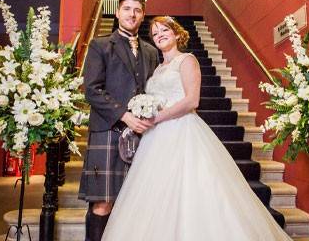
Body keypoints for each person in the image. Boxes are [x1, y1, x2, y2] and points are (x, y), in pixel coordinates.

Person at [101, 16, 291, 240]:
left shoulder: (187, 60)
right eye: (155, 33)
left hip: (182, 130)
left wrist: (157, 117)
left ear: (176, 33)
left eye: (164, 30)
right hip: (155, 138)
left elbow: (192, 101)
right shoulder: (158, 68)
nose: (160, 34)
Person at [80, 0, 158, 241]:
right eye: (127, 8)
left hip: (143, 135)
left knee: (135, 204)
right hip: (108, 131)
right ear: (117, 12)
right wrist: (124, 115)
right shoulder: (100, 45)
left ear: (143, 15)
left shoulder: (151, 51)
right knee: (103, 203)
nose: (132, 14)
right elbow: (91, 89)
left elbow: (154, 90)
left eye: (137, 10)